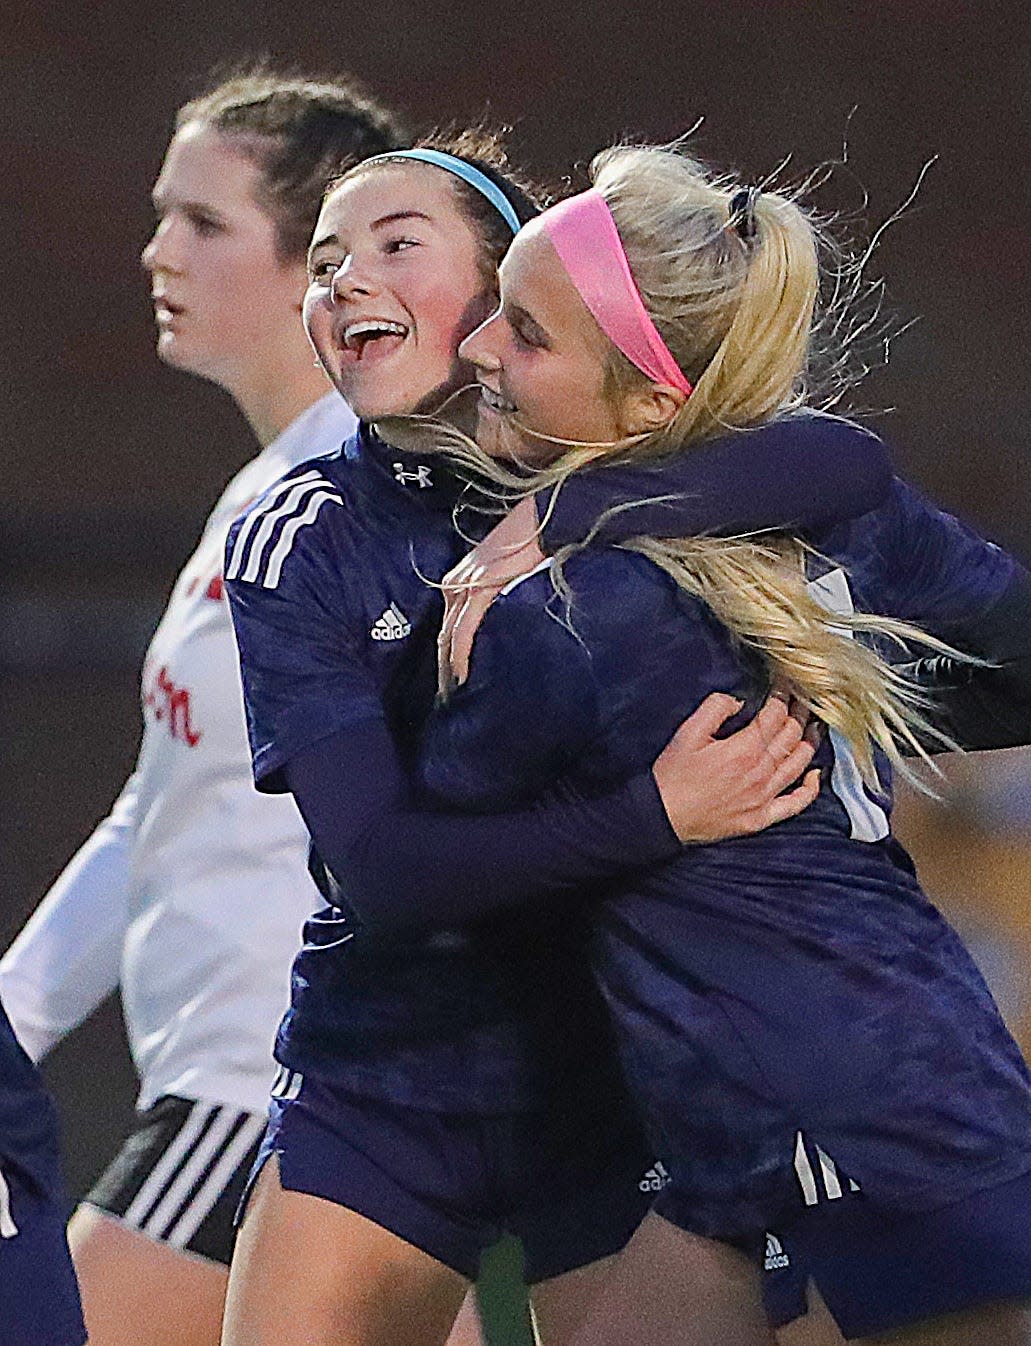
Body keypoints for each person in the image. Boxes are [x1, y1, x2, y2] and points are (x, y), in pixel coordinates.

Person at [222, 138, 896, 1346]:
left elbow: (845, 459)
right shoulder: (301, 535)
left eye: (395, 246)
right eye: (323, 263)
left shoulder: (627, 464)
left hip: (616, 1077)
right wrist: (652, 814)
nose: (345, 282)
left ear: (506, 290)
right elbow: (380, 871)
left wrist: (576, 506)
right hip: (390, 1078)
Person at [353, 147, 1031, 1345]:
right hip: (790, 1128)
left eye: (527, 333)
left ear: (652, 408)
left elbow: (398, 872)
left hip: (852, 1129)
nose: (477, 351)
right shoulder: (829, 515)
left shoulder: (570, 614)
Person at [0, 70, 407, 1346]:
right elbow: (161, 798)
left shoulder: (370, 498)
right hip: (228, 1072)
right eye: (161, 214)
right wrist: (13, 1008)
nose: (155, 250)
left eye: (203, 222)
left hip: (271, 1074)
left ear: (312, 269)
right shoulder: (260, 495)